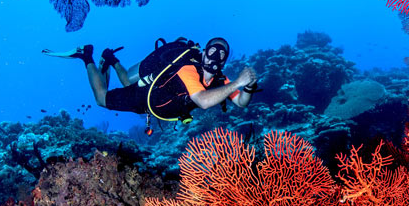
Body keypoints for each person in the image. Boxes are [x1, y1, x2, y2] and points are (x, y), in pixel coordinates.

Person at [51, 37, 258, 127]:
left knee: (124, 81)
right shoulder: (188, 69)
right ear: (204, 52)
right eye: (212, 51)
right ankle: (86, 55)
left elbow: (241, 102)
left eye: (221, 55)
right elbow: (203, 101)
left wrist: (248, 87)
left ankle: (111, 59)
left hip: (157, 104)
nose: (215, 58)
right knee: (101, 99)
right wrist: (238, 82)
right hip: (146, 97)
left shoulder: (221, 80)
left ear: (224, 60)